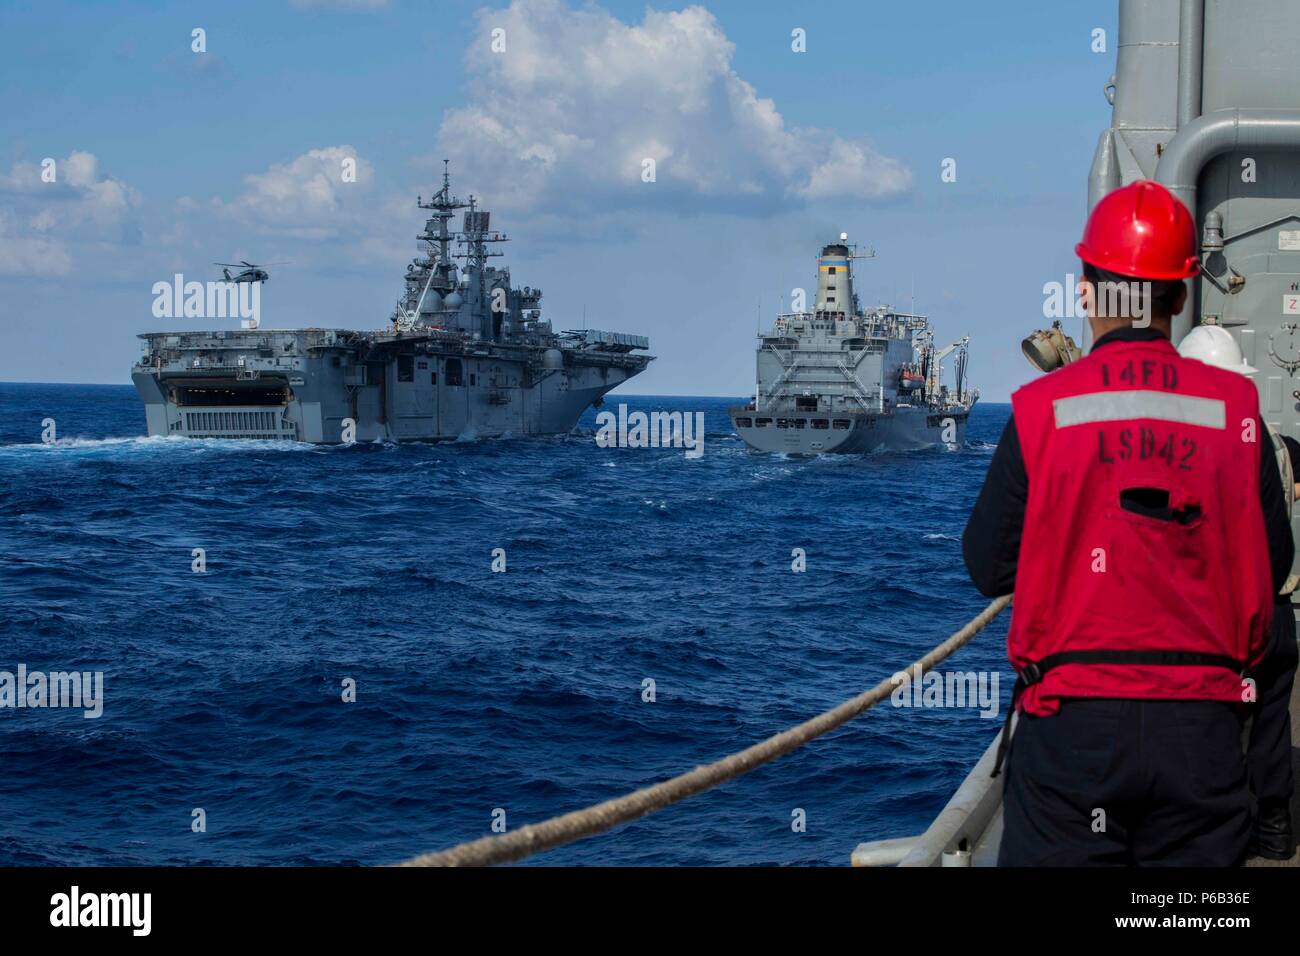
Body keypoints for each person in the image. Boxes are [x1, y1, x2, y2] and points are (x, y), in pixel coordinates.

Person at [963, 180, 1294, 866]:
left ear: (1086, 288)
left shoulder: (1039, 409)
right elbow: (1275, 563)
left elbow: (987, 566)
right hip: (1202, 736)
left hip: (1072, 737)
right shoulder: (1237, 413)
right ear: (1179, 296)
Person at [1178, 324, 1298, 860]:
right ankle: (1274, 829)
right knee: (1271, 720)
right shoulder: (1275, 441)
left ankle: (1217, 837)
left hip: (1221, 615)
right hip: (1275, 609)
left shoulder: (1186, 447)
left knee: (1214, 726)